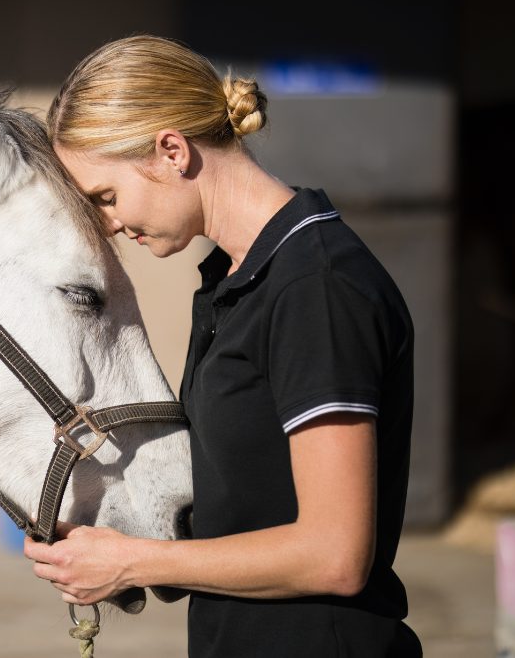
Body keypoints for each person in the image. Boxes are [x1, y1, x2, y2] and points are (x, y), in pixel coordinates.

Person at [23, 35, 422, 657]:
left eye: (106, 196)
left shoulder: (313, 288)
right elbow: (247, 503)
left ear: (172, 151)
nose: (109, 225)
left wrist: (136, 563)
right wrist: (103, 542)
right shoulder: (236, 278)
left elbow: (334, 555)